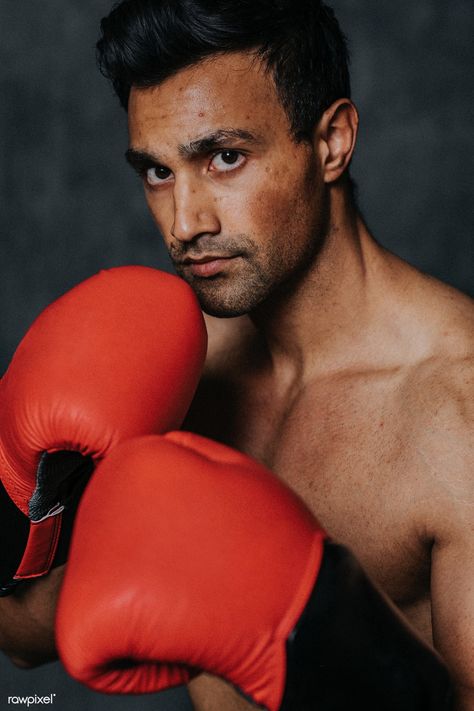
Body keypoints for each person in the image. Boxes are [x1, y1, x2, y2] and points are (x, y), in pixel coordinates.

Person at [0, 0, 472, 708]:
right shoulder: (173, 364)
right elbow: (21, 636)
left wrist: (328, 640)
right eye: (157, 172)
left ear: (333, 141)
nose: (186, 223)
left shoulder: (455, 410)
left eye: (224, 157)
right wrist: (24, 511)